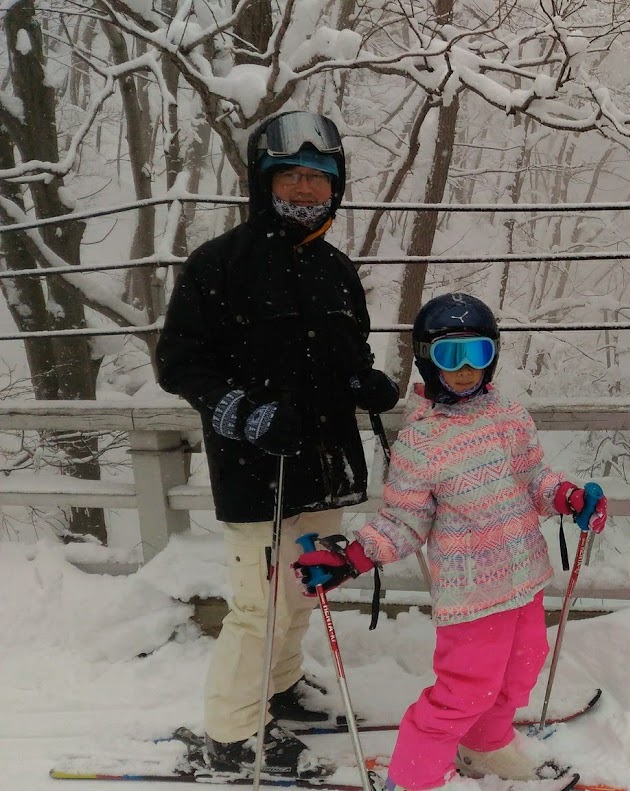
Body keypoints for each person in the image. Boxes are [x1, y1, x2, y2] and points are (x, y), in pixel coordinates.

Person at [154, 110, 401, 778]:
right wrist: (242, 411)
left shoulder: (337, 271)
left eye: (318, 180)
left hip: (326, 463)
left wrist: (361, 378)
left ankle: (280, 687)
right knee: (259, 605)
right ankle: (233, 735)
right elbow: (179, 362)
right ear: (264, 182)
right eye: (291, 176)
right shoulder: (219, 265)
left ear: (336, 188)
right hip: (254, 469)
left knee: (303, 589)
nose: (304, 190)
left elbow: (343, 350)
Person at [291, 292, 609, 791]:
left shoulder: (509, 415)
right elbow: (404, 521)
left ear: (493, 356)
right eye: (449, 355)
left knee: (520, 671)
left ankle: (487, 745)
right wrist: (351, 557)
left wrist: (565, 497)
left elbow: (534, 479)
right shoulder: (422, 441)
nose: (463, 370)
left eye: (476, 354)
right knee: (465, 690)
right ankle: (413, 778)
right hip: (472, 593)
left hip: (524, 577)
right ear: (426, 358)